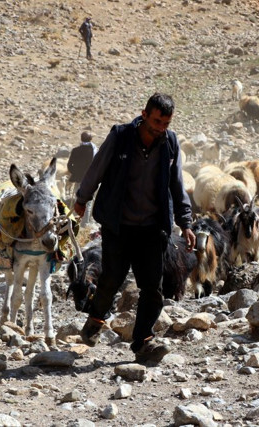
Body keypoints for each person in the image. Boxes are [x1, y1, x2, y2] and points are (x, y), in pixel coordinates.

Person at [73, 93, 195, 364]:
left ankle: (143, 343)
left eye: (166, 122)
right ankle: (95, 318)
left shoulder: (170, 143)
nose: (160, 127)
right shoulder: (121, 136)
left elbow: (177, 185)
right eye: (156, 120)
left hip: (153, 228)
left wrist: (185, 222)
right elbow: (97, 169)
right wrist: (82, 199)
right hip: (119, 224)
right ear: (144, 114)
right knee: (112, 278)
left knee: (153, 287)